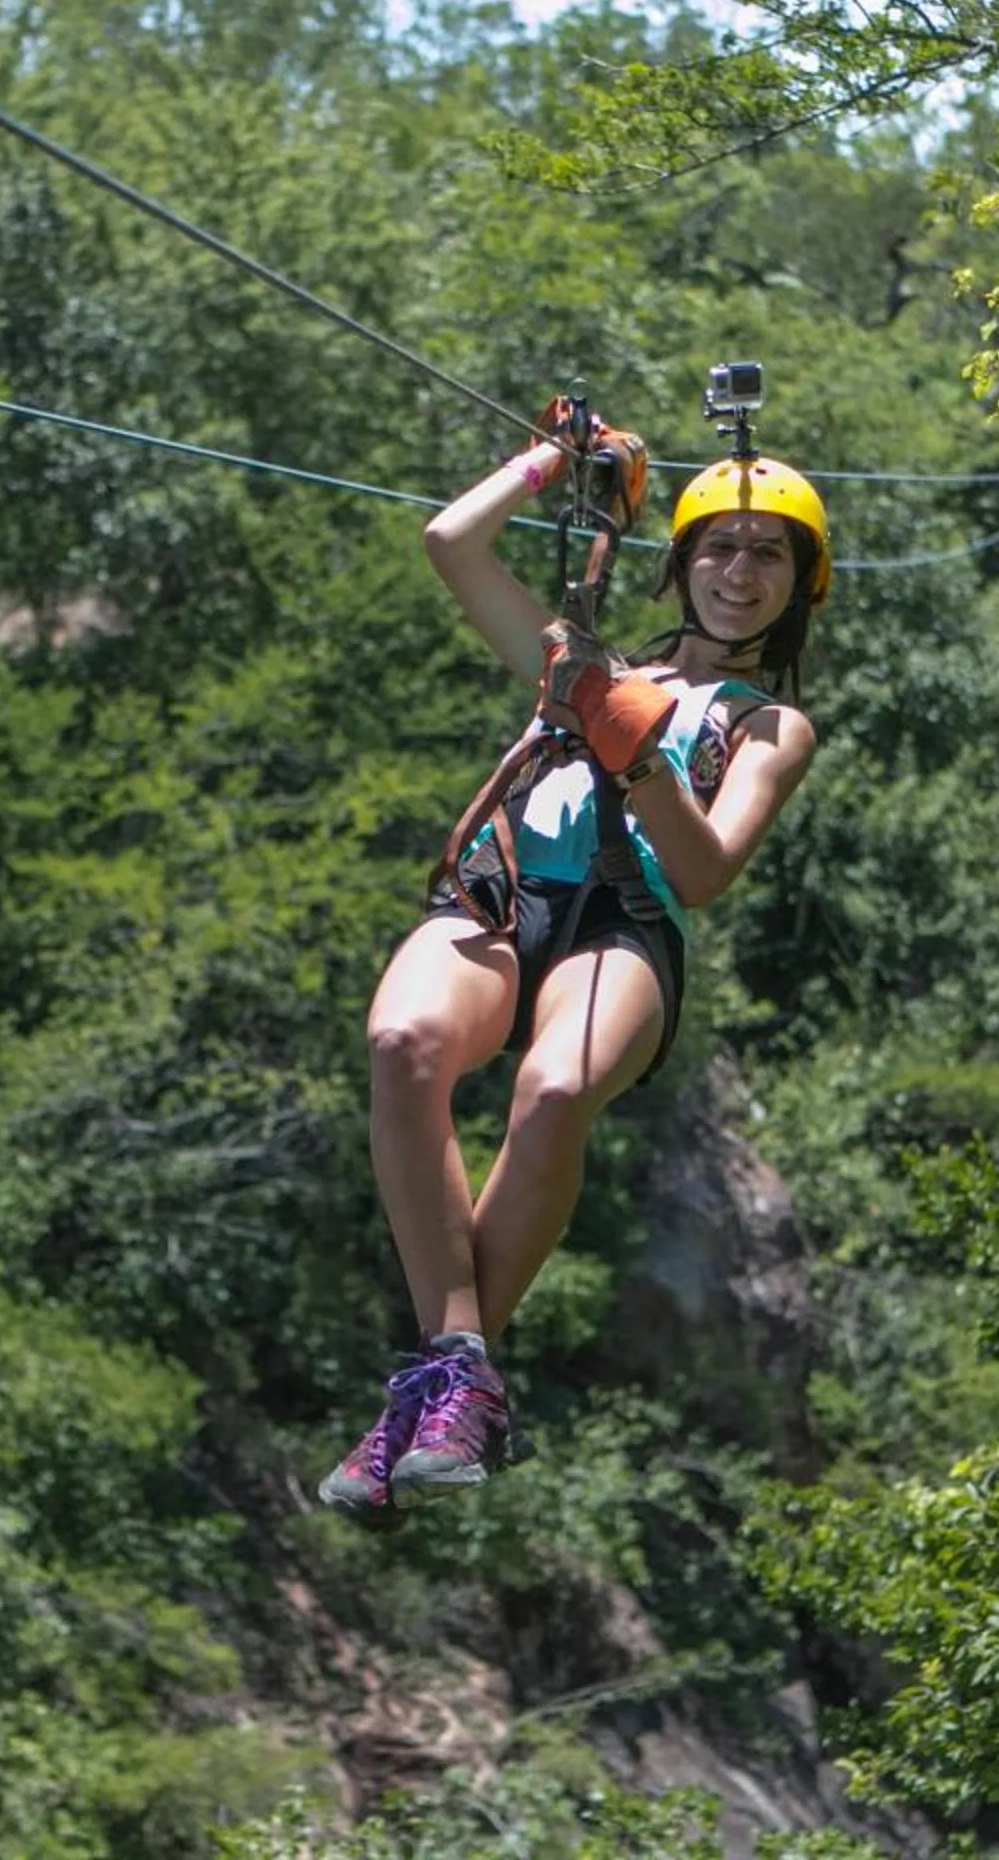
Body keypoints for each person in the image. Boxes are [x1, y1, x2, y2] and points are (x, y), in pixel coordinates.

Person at [317, 415, 829, 1527]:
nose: (740, 572)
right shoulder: (585, 664)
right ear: (682, 563)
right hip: (505, 893)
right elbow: (453, 540)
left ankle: (434, 1394)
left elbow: (704, 871)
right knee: (404, 1043)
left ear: (799, 585)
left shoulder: (771, 723)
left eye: (768, 555)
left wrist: (638, 752)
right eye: (720, 548)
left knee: (552, 1091)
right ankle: (458, 1367)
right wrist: (555, 464)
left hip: (627, 919)